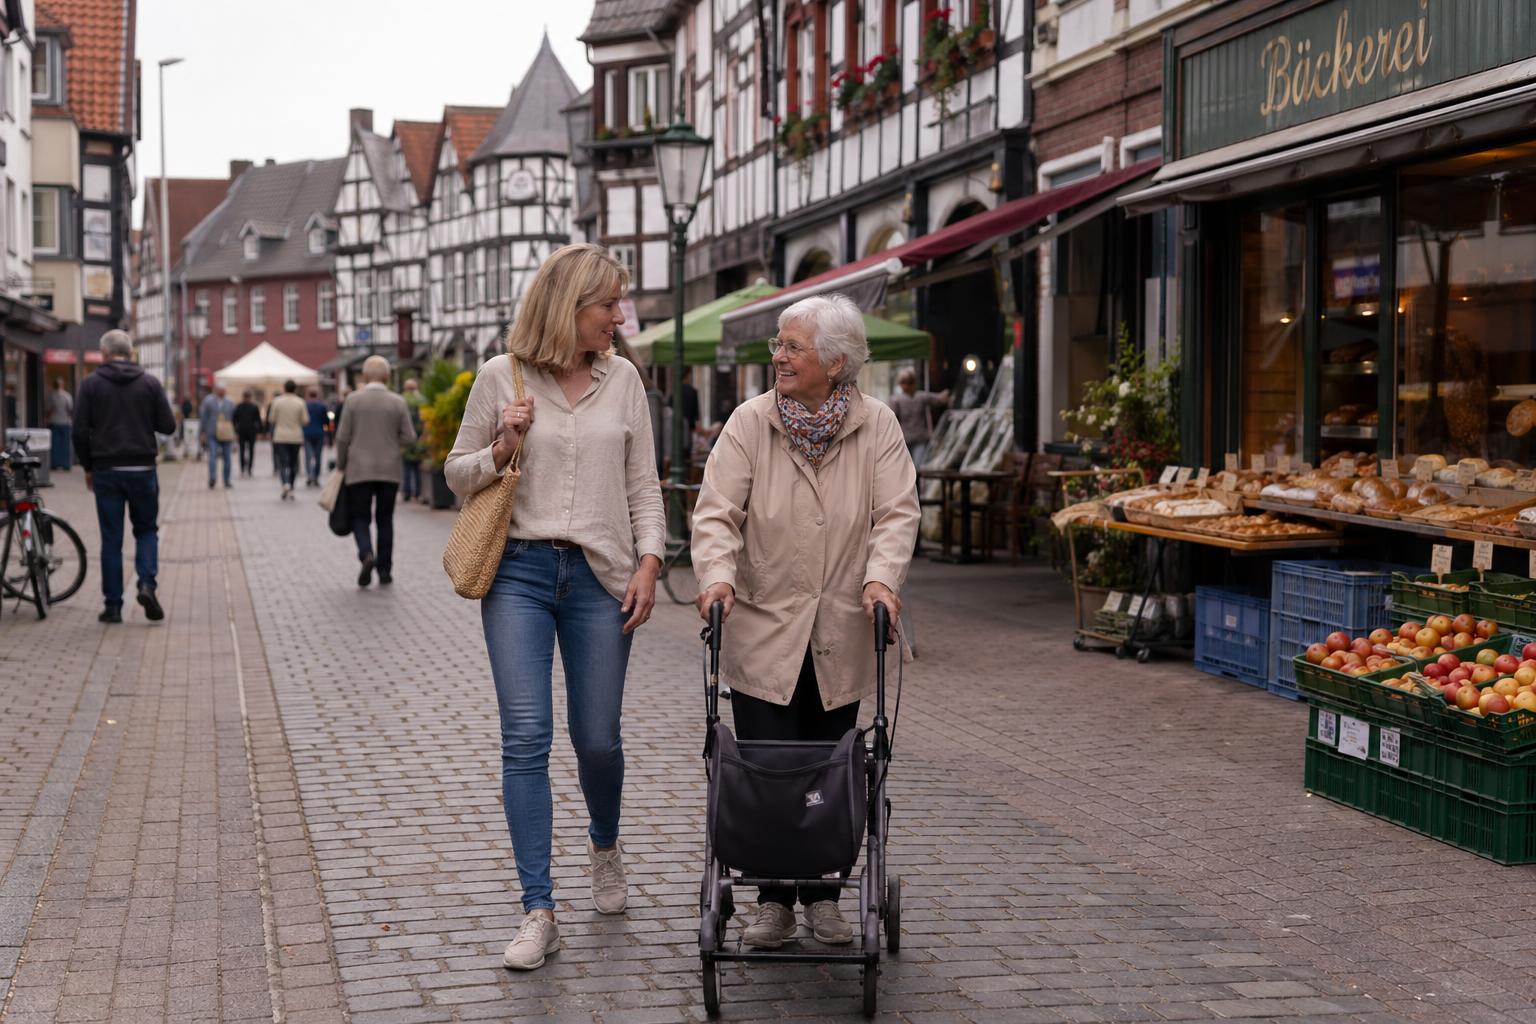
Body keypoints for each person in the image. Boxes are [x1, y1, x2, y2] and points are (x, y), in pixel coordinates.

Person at [444, 243, 664, 972]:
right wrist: (502, 444)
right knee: (526, 737)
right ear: (569, 306)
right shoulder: (500, 376)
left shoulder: (623, 379)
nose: (619, 316)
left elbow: (643, 484)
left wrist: (651, 562)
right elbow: (455, 473)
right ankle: (538, 910)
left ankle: (605, 842)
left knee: (597, 738)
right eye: (608, 304)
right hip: (519, 574)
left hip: (602, 577)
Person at [691, 293, 919, 950]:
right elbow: (716, 513)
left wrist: (882, 579)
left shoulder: (877, 426)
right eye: (779, 345)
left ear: (836, 361)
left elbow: (897, 514)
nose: (780, 357)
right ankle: (773, 902)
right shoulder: (749, 423)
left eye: (793, 347)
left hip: (840, 631)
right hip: (764, 629)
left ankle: (823, 898)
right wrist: (717, 576)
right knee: (765, 773)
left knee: (831, 770)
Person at [72, 330, 177, 624]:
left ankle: (113, 606)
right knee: (146, 531)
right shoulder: (150, 383)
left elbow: (79, 431)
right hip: (143, 469)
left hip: (106, 471)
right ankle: (147, 584)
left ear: (104, 354)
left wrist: (88, 467)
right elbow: (168, 426)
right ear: (131, 354)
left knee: (111, 539)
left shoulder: (91, 384)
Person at [334, 357, 416, 586]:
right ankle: (385, 571)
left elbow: (342, 438)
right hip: (389, 469)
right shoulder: (398, 402)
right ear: (387, 377)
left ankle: (366, 553)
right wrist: (392, 444)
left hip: (358, 469)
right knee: (385, 519)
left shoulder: (352, 401)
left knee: (360, 517)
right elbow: (410, 437)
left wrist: (341, 464)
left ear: (364, 376)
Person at [889, 367, 950, 468]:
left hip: (920, 438)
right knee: (906, 467)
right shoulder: (896, 400)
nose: (906, 386)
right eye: (903, 382)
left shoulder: (920, 396)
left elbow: (938, 399)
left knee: (917, 466)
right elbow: (891, 418)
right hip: (904, 439)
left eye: (909, 382)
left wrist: (947, 393)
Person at [267, 380, 309, 500]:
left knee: (282, 462)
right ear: (295, 389)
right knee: (293, 463)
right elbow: (305, 420)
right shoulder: (300, 402)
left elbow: (271, 419)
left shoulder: (277, 401)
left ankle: (285, 483)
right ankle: (291, 486)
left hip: (280, 436)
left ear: (284, 388)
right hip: (295, 436)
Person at [199, 384, 237, 489]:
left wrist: (234, 435)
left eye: (223, 390)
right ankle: (212, 478)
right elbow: (203, 417)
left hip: (227, 434)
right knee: (212, 456)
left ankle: (227, 480)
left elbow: (234, 419)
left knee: (227, 457)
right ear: (216, 390)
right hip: (212, 433)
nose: (221, 392)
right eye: (219, 390)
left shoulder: (230, 402)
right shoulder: (208, 401)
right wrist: (202, 432)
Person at [400, 378, 427, 502]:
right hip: (419, 438)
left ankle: (407, 492)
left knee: (407, 466)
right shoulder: (421, 400)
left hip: (405, 439)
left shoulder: (401, 400)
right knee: (418, 467)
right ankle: (418, 492)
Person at [232, 390, 262, 477]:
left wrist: (258, 432)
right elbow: (234, 419)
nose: (247, 399)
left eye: (248, 397)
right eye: (246, 397)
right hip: (242, 431)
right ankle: (242, 468)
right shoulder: (239, 407)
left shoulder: (254, 407)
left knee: (251, 450)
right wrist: (236, 431)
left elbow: (258, 420)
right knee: (242, 450)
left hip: (251, 432)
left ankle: (249, 468)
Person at [303, 387, 329, 486]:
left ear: (309, 395)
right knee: (318, 456)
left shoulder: (305, 405)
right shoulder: (322, 406)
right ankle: (316, 476)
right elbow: (326, 421)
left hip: (307, 433)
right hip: (319, 433)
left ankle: (310, 474)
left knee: (308, 456)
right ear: (317, 395)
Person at [46, 378, 74, 471]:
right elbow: (70, 409)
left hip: (54, 422)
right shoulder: (67, 396)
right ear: (62, 385)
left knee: (55, 445)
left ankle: (55, 464)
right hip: (65, 422)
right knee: (66, 445)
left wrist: (46, 419)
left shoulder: (51, 396)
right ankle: (66, 464)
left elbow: (49, 409)